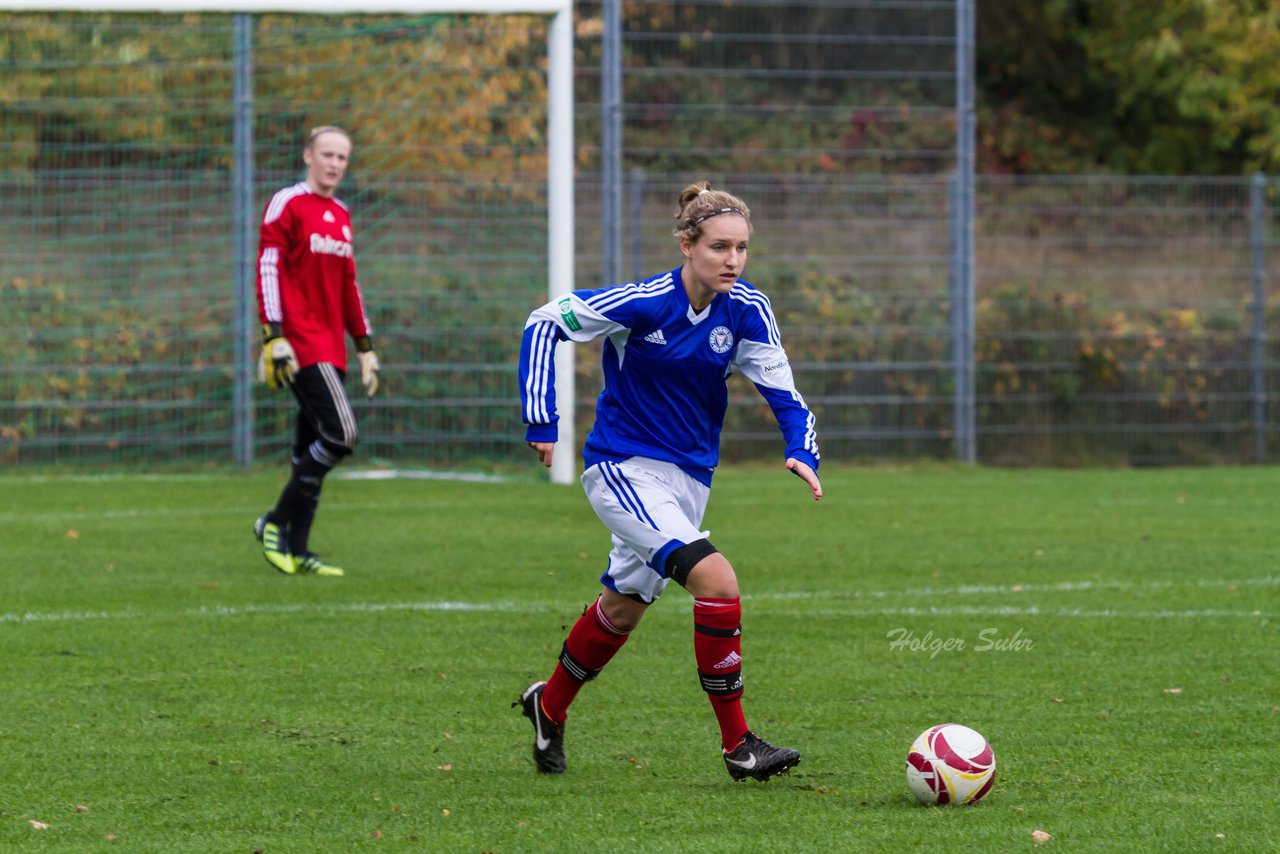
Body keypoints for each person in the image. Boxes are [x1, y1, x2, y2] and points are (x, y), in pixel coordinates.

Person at [515, 180, 822, 781]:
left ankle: (547, 707)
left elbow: (781, 387)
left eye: (741, 248)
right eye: (718, 247)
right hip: (622, 470)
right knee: (717, 581)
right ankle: (740, 746)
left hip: (688, 481)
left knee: (621, 610)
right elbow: (545, 322)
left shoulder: (747, 310)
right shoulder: (644, 301)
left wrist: (800, 447)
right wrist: (542, 418)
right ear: (687, 244)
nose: (732, 260)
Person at [252, 125, 380, 577]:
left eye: (342, 157)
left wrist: (364, 347)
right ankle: (274, 522)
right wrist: (273, 334)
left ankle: (298, 549)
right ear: (308, 155)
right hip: (301, 344)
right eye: (326, 154)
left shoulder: (342, 214)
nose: (333, 164)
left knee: (309, 444)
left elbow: (349, 286)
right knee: (342, 434)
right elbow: (267, 266)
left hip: (334, 347)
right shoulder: (288, 203)